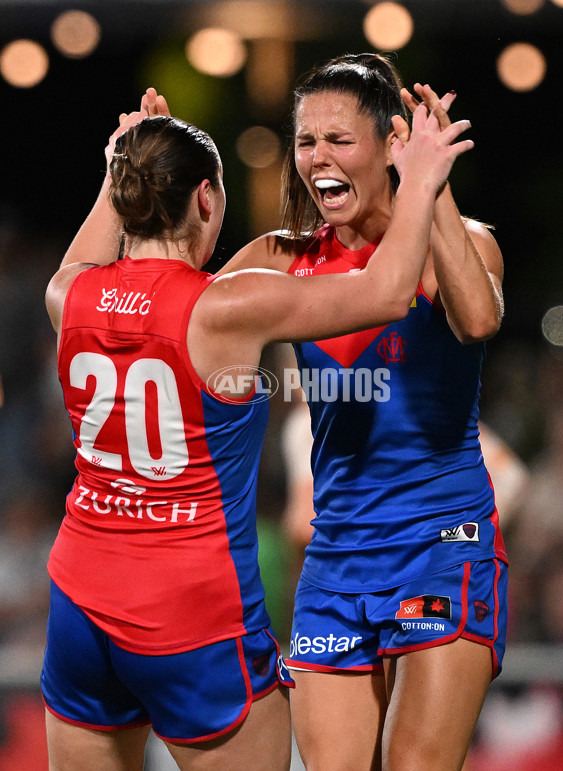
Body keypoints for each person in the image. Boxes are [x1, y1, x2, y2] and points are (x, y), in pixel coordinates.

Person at [42, 86, 472, 769]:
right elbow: (388, 293)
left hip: (79, 600)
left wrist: (120, 163)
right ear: (208, 199)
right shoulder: (223, 307)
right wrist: (420, 179)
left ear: (123, 195)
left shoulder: (68, 295)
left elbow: (85, 260)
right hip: (191, 607)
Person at [201, 53, 507, 771]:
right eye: (306, 141)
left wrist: (431, 183)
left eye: (339, 139)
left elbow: (478, 318)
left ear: (391, 144)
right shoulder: (282, 258)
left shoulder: (458, 242)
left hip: (443, 544)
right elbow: (187, 318)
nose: (317, 157)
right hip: (335, 562)